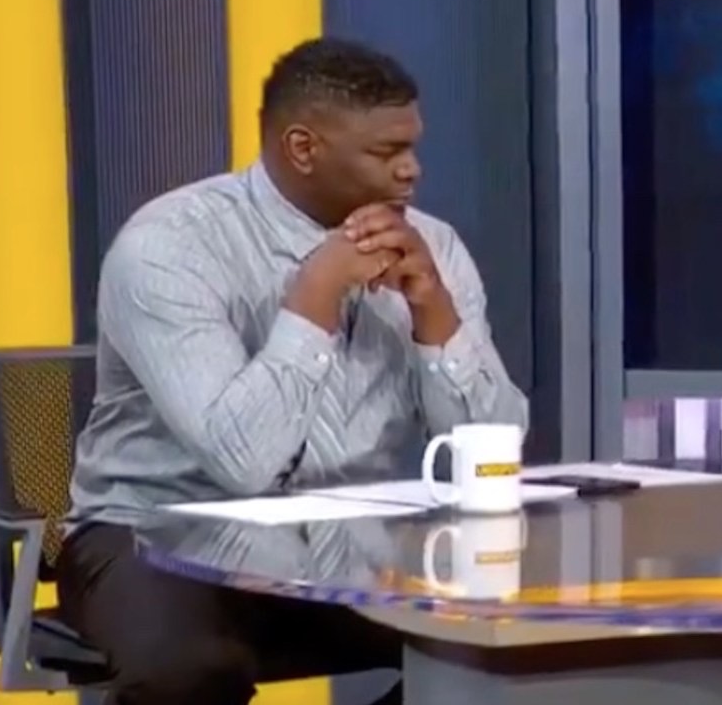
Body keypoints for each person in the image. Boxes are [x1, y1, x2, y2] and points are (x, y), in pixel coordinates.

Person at [57, 37, 529, 705]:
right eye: (387, 152)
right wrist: (315, 295)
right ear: (303, 148)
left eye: (413, 147)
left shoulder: (435, 246)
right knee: (186, 670)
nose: (412, 171)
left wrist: (435, 312)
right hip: (154, 539)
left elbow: (494, 453)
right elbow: (244, 464)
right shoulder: (168, 247)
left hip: (356, 543)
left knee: (525, 647)